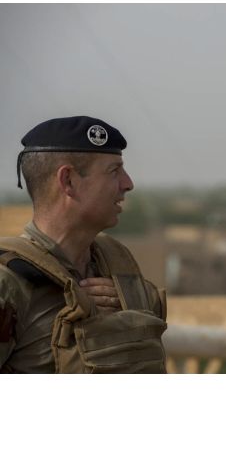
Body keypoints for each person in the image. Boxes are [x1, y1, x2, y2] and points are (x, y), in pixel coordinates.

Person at [0, 116, 167, 373]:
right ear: (68, 181)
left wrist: (136, 300)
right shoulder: (10, 282)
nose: (128, 183)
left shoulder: (117, 264)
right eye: (114, 171)